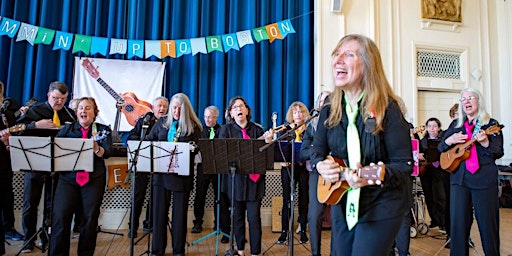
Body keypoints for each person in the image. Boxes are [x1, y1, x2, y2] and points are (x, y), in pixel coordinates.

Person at [311, 34, 412, 255]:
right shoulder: (330, 108)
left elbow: (404, 165)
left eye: (348, 54)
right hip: (343, 199)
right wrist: (320, 165)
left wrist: (375, 174)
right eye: (336, 54)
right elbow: (316, 151)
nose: (338, 60)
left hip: (383, 202)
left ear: (368, 65)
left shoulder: (389, 109)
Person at [438, 88, 503, 256]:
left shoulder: (491, 124)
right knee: (458, 225)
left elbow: (498, 151)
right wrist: (449, 140)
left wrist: (486, 141)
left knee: (488, 225)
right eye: (463, 99)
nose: (466, 102)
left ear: (479, 101)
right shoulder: (456, 124)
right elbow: (441, 148)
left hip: (483, 181)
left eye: (470, 98)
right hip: (459, 180)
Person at [16, 81, 76, 253]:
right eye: (56, 98)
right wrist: (35, 125)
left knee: (52, 205)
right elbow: (17, 130)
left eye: (63, 99)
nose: (59, 102)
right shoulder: (35, 111)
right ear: (49, 95)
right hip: (34, 164)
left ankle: (47, 238)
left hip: (57, 166)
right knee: (30, 204)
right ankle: (29, 239)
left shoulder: (69, 114)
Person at [49, 97, 112, 255]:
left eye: (88, 108)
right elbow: (55, 152)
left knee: (89, 220)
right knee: (61, 217)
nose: (84, 111)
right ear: (76, 112)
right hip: (67, 180)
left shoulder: (103, 130)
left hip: (93, 180)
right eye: (81, 108)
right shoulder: (67, 130)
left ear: (94, 112)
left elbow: (107, 153)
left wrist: (96, 148)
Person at [145, 93, 202, 256]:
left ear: (186, 109)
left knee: (179, 216)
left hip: (181, 177)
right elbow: (149, 140)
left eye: (180, 108)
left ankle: (178, 250)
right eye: (174, 107)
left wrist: (193, 149)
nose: (176, 111)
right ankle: (157, 250)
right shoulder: (162, 123)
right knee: (159, 214)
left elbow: (199, 148)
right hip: (161, 175)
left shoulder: (193, 126)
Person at [218, 96, 272, 256]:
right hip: (234, 182)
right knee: (237, 218)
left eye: (241, 106)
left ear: (247, 110)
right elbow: (221, 155)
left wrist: (268, 143)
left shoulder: (257, 130)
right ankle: (240, 250)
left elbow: (266, 158)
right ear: (231, 113)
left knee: (254, 219)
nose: (239, 109)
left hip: (254, 183)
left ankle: (255, 252)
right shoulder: (225, 131)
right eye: (235, 108)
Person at [126, 96, 169, 238]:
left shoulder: (169, 123)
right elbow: (130, 137)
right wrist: (145, 143)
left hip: (160, 165)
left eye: (164, 106)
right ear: (153, 108)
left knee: (155, 196)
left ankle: (149, 224)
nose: (161, 109)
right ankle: (132, 227)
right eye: (159, 106)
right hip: (143, 163)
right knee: (138, 196)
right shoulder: (144, 120)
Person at [191, 105, 231, 243]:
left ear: (216, 117)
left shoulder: (222, 130)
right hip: (204, 166)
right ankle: (197, 222)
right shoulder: (200, 130)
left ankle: (218, 223)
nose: (208, 119)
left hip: (218, 168)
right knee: (200, 195)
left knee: (219, 196)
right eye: (206, 116)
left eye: (210, 117)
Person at [276, 101, 310, 245]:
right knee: (286, 201)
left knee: (303, 200)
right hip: (288, 169)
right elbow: (279, 150)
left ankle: (302, 231)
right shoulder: (285, 130)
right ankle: (284, 232)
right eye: (295, 112)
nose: (298, 114)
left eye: (301, 111)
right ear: (291, 115)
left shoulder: (309, 130)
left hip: (303, 169)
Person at [300, 90, 330, 256]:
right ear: (318, 105)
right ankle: (315, 253)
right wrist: (316, 151)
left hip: (339, 170)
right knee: (315, 214)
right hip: (317, 173)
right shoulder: (311, 126)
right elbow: (303, 152)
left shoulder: (340, 122)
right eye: (323, 101)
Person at [0, 81, 25, 242]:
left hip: (3, 159)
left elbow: (16, 131)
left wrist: (8, 141)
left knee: (6, 194)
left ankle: (8, 228)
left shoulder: (5, 113)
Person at [419, 117, 447, 232]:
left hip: (439, 171)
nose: (432, 129)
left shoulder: (443, 139)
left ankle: (444, 222)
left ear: (439, 128)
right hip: (426, 171)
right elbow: (418, 153)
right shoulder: (423, 141)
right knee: (429, 196)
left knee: (440, 197)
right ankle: (434, 220)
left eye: (434, 126)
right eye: (429, 126)